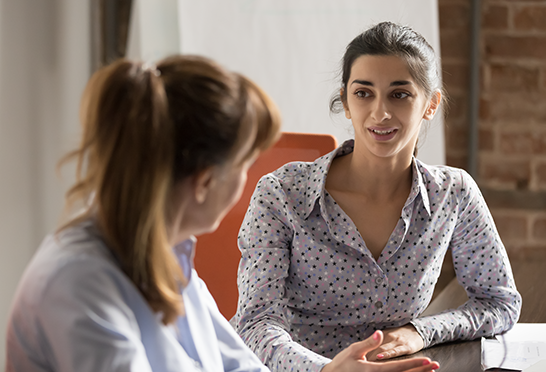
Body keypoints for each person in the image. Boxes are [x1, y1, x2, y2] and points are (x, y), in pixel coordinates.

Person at [4, 55, 440, 372]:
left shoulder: (169, 259)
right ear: (205, 181)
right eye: (245, 164)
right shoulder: (79, 283)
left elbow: (238, 366)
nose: (253, 179)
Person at [231, 21, 522, 372]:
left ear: (431, 104)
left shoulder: (453, 194)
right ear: (346, 102)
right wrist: (327, 371)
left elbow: (499, 302)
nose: (380, 112)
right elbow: (255, 324)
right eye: (363, 93)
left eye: (399, 94)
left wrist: (420, 331)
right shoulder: (281, 195)